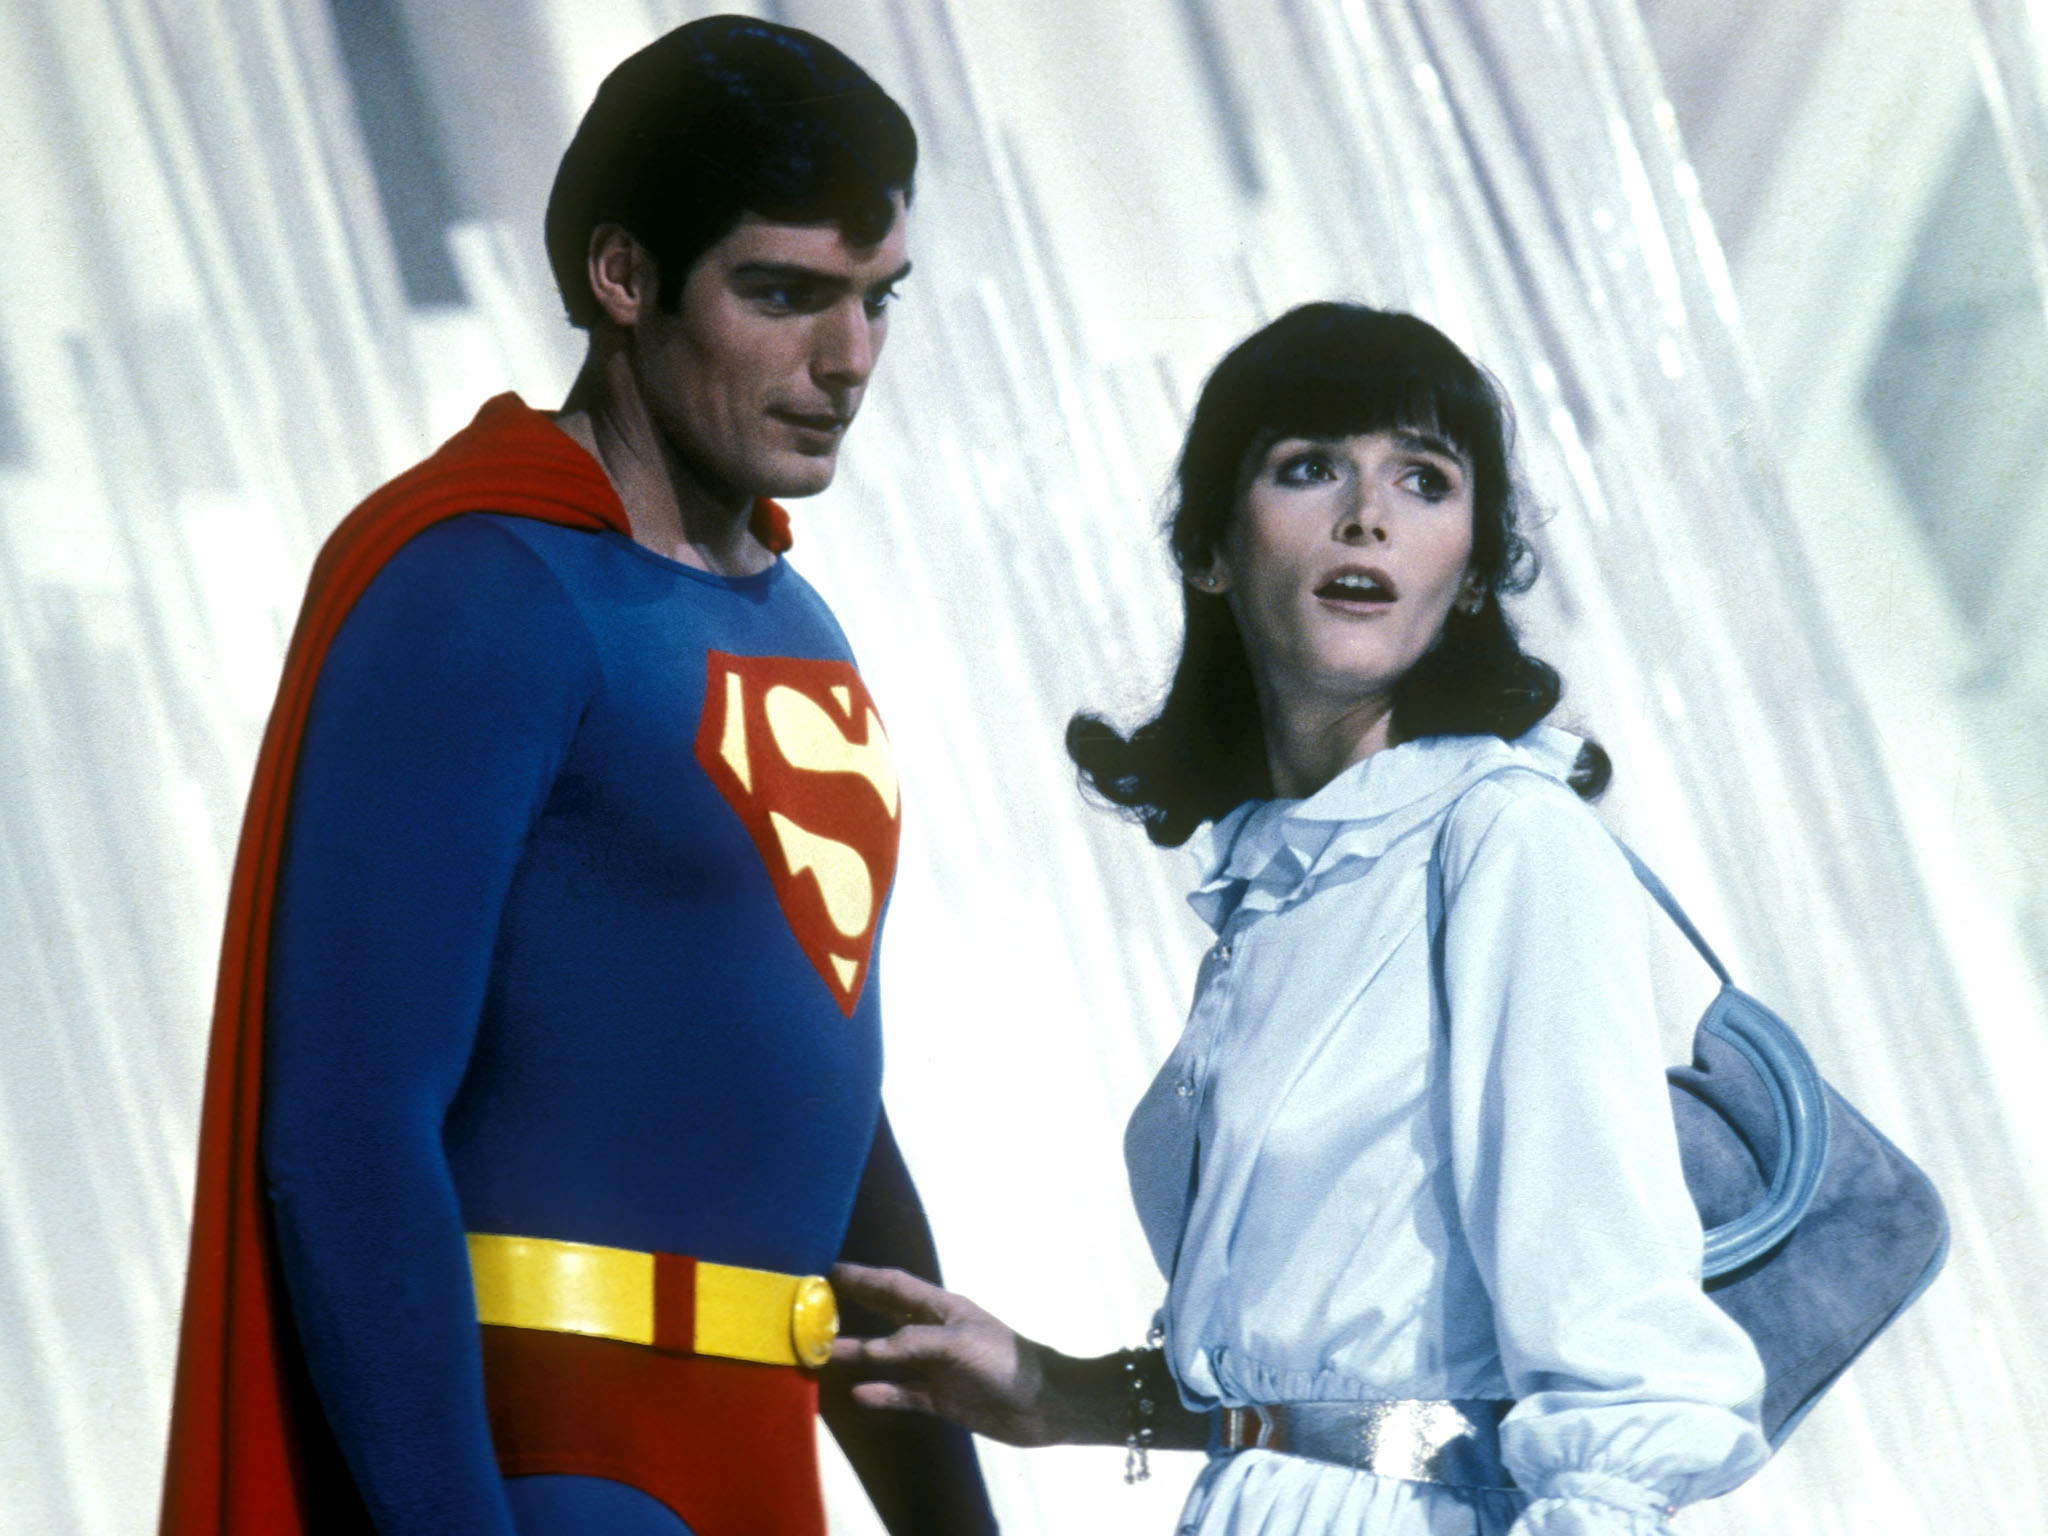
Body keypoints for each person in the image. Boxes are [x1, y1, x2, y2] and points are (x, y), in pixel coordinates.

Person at [157, 16, 995, 1536]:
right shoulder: (483, 591)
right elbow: (348, 1139)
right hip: (561, 1469)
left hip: (762, 1466)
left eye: (876, 298)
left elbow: (828, 1107)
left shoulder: (793, 619)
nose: (848, 360)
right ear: (622, 275)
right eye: (783, 294)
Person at [832, 303, 1770, 1534]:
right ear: (1211, 550)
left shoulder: (1502, 840)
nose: (1366, 514)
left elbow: (1620, 1358)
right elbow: (1349, 1395)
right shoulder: (1282, 886)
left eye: (1423, 479)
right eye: (1309, 466)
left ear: (1471, 572)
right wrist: (1056, 1391)